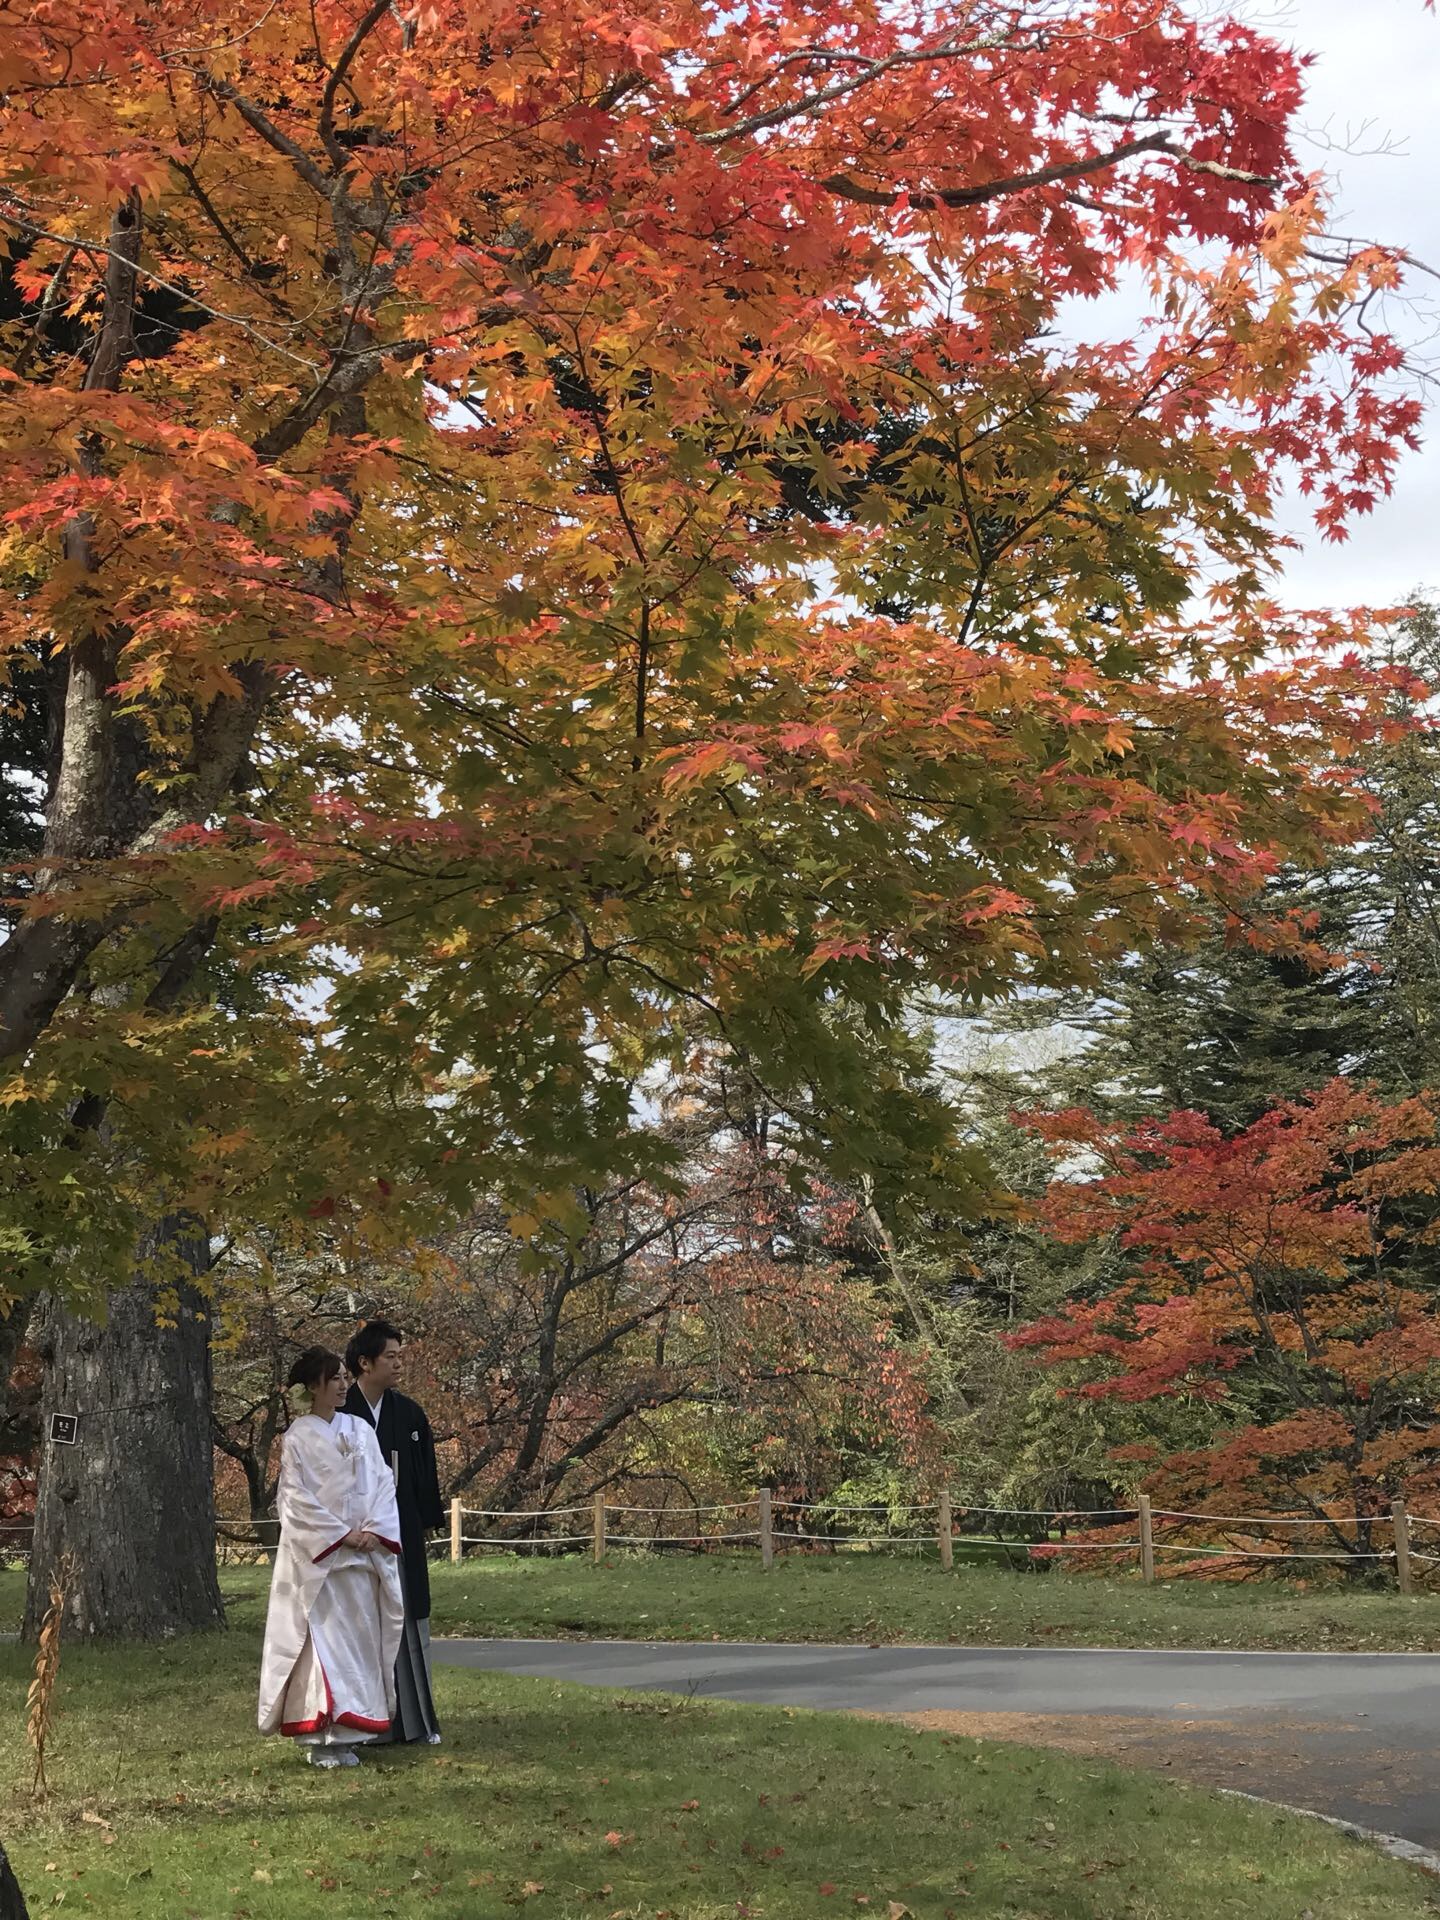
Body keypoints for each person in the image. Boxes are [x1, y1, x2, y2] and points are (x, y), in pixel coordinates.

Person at [257, 1347, 405, 1768]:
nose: (342, 1385)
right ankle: (321, 1735)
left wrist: (372, 1531)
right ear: (313, 1387)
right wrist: (341, 1535)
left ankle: (350, 1733)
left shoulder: (360, 1429)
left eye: (344, 1377)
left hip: (361, 1558)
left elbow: (381, 1483)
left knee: (357, 1647)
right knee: (322, 1648)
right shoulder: (297, 1437)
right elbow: (294, 1500)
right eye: (334, 1379)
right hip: (322, 1560)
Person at [343, 1319, 445, 1744]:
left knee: (406, 1620)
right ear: (365, 1363)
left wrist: (419, 1525)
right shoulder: (341, 1416)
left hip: (400, 1533)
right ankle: (363, 1724)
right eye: (391, 1356)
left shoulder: (410, 1414)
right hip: (354, 1536)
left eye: (400, 1356)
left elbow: (423, 1479)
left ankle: (415, 1721)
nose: (399, 1364)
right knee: (359, 1626)